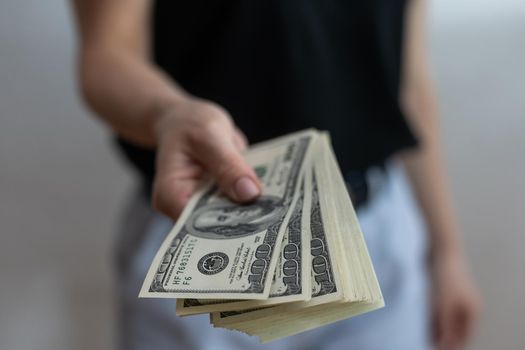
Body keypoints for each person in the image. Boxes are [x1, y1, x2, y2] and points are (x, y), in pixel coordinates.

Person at [72, 0, 481, 349]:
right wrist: (170, 114)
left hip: (375, 236)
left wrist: (447, 251)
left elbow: (407, 78)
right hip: (201, 243)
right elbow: (107, 55)